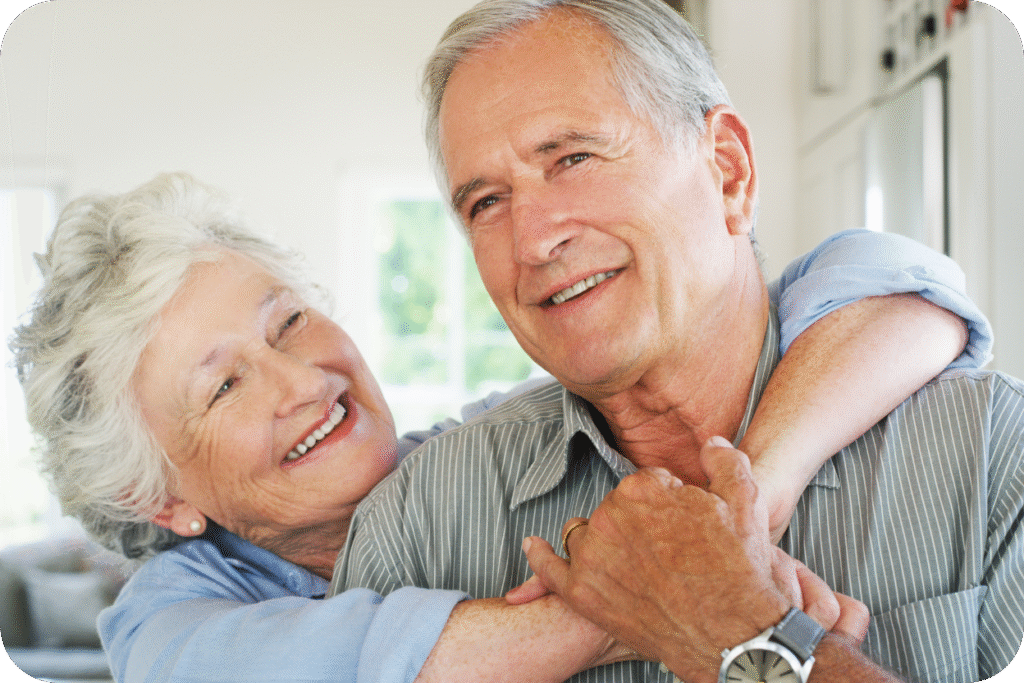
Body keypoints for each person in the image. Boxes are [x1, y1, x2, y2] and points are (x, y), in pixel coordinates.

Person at [7, 166, 979, 683]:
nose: (300, 379)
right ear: (159, 495)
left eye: (288, 319)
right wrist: (667, 599)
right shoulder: (166, 626)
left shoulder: (480, 459)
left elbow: (888, 282)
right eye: (223, 388)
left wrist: (748, 506)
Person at [331, 1, 1024, 682]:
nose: (533, 240)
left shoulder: (997, 458)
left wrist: (741, 633)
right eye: (486, 203)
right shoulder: (415, 525)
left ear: (728, 170)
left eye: (573, 157)